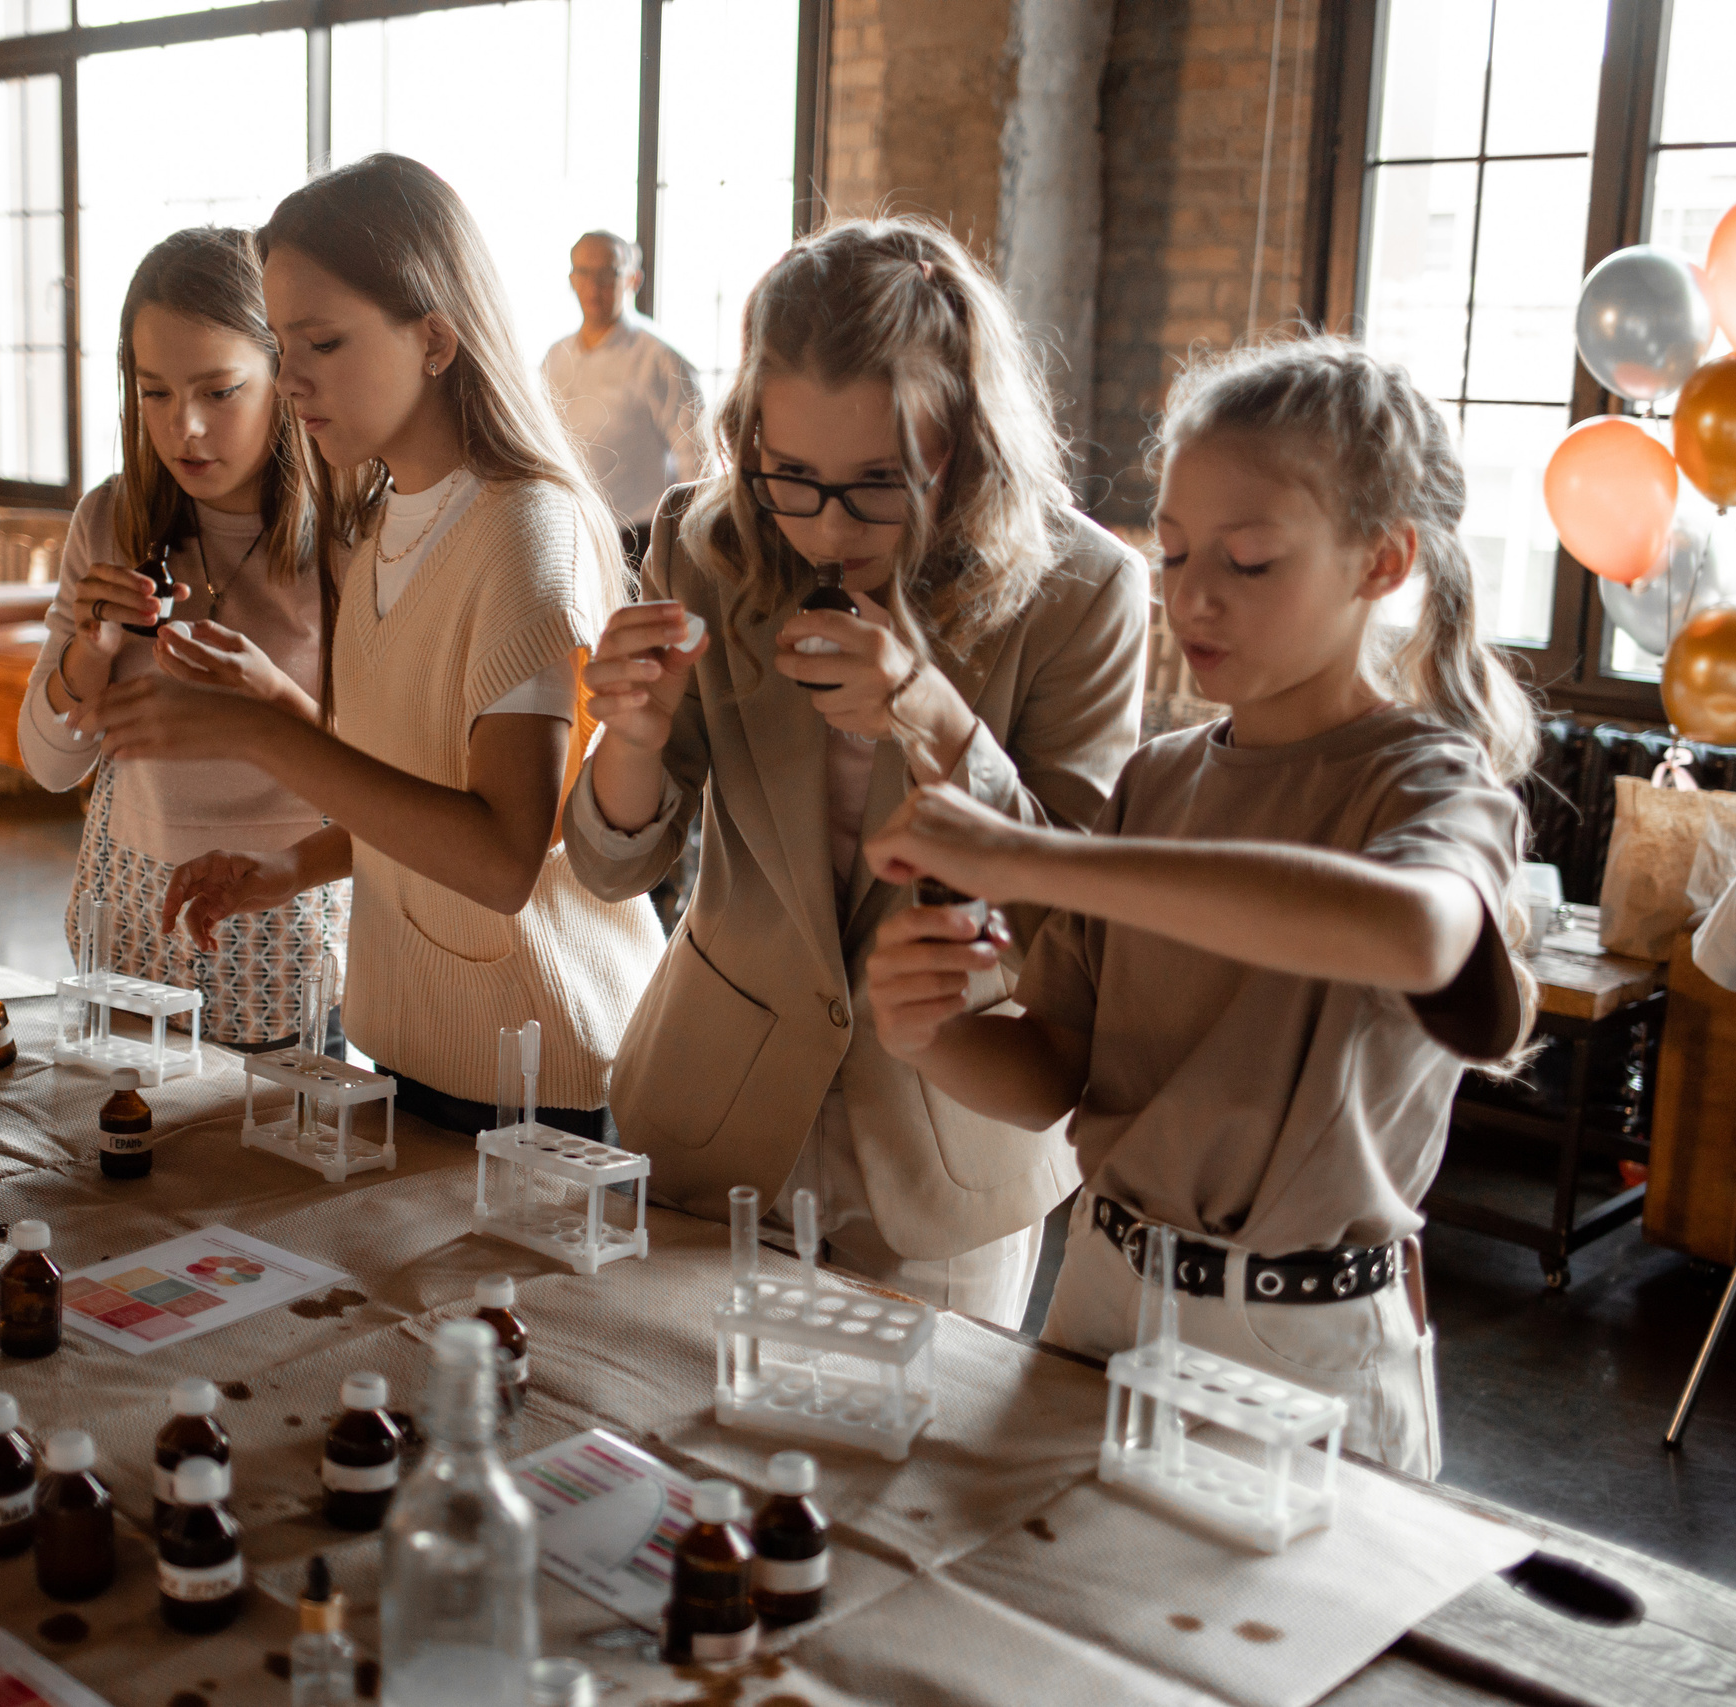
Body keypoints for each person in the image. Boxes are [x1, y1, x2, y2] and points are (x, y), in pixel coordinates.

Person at [862, 335, 1537, 1473]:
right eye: (1172, 554)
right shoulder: (1158, 780)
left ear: (1382, 562)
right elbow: (1054, 1078)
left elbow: (1414, 932)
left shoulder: (1426, 780)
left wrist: (1030, 860)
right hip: (1099, 1296)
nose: (1195, 596)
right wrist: (929, 1035)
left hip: (1299, 1342)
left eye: (1252, 559)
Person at [562, 217, 1148, 1331]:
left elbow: (1078, 916)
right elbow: (605, 865)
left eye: (880, 481)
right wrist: (629, 739)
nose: (826, 528)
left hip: (945, 1154)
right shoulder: (706, 539)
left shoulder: (1084, 590)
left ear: (963, 438)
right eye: (790, 476)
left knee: (908, 1485)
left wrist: (930, 715)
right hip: (709, 1114)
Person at [83, 155, 664, 1140]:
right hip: (418, 1049)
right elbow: (410, 796)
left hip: (544, 1076)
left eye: (321, 342)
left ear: (434, 338)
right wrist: (289, 869)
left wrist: (261, 730)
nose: (291, 377)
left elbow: (499, 857)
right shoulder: (385, 517)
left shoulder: (526, 530)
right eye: (281, 342)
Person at [18, 227, 341, 1052]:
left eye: (219, 390)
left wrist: (272, 703)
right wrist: (88, 651)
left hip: (286, 924)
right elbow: (50, 766)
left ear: (284, 375)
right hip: (129, 916)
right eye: (153, 392)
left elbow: (393, 782)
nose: (184, 428)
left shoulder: (353, 539)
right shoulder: (111, 518)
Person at [542, 231, 705, 569]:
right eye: (583, 273)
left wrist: (691, 545)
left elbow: (697, 459)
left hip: (640, 539)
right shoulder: (555, 358)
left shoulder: (660, 358)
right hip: (571, 536)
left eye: (607, 274)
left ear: (633, 279)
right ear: (571, 279)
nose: (593, 285)